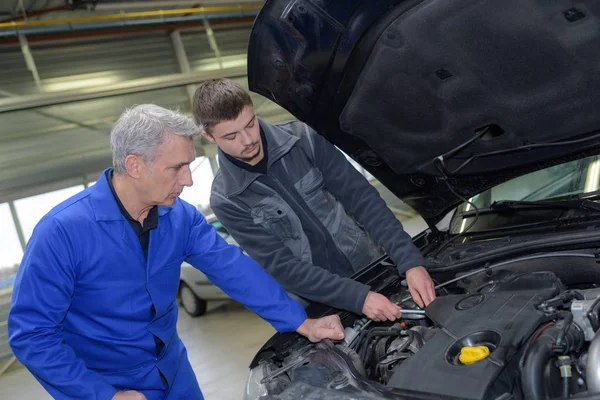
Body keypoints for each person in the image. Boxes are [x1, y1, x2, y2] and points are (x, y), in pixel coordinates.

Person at [8, 104, 344, 400]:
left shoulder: (179, 216)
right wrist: (102, 395)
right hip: (102, 384)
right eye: (176, 168)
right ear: (135, 165)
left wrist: (299, 321)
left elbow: (232, 268)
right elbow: (32, 336)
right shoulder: (62, 233)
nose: (188, 181)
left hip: (174, 373)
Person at [193, 79, 436, 323]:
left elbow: (363, 200)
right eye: (231, 136)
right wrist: (358, 298)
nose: (247, 141)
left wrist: (409, 261)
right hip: (318, 305)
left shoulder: (304, 140)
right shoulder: (227, 200)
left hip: (371, 266)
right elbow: (282, 266)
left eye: (250, 124)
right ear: (208, 135)